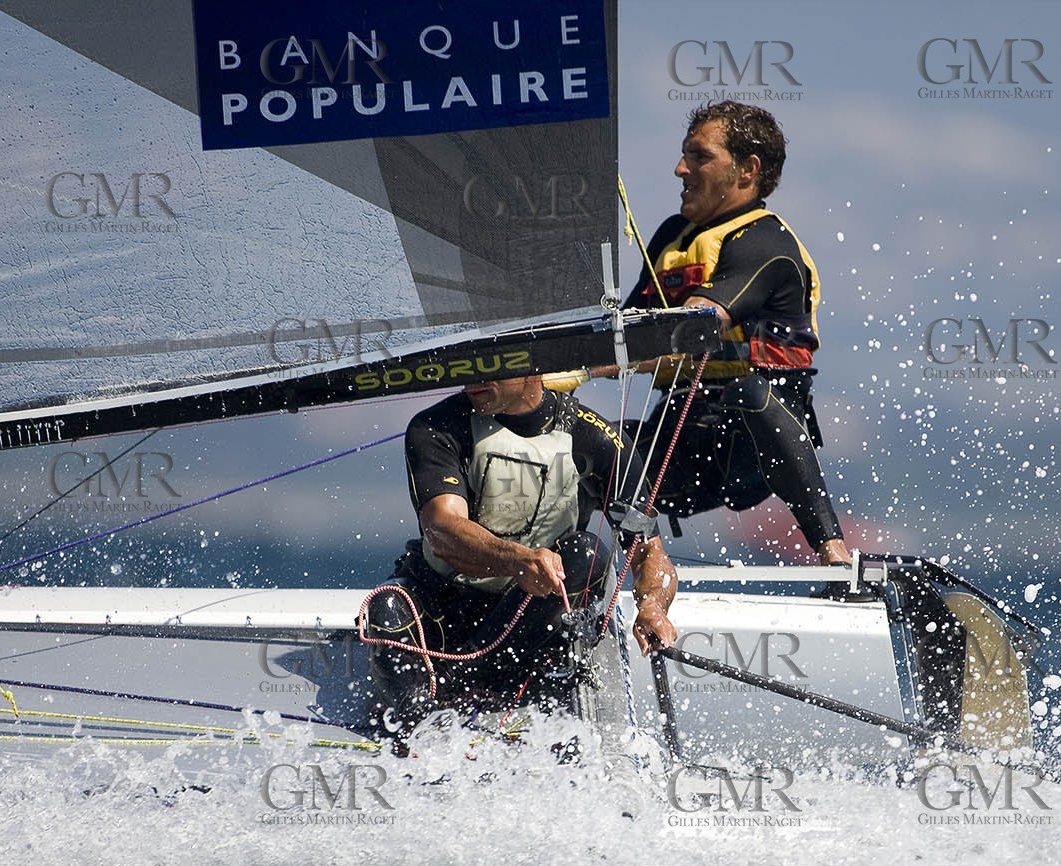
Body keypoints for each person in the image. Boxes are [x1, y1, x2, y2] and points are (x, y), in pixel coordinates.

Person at [362, 373, 678, 755]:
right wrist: (520, 561)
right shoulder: (436, 426)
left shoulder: (598, 439)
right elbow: (442, 530)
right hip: (447, 607)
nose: (470, 380)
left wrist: (653, 606)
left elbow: (650, 555)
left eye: (487, 370)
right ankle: (421, 732)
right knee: (386, 608)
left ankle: (477, 684)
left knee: (588, 554)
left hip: (527, 620)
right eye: (466, 369)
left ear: (530, 370)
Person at [596, 101, 852, 565]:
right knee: (582, 441)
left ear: (747, 170)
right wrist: (543, 369)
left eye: (699, 157)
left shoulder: (766, 243)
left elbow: (692, 329)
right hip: (681, 442)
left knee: (751, 391)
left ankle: (834, 556)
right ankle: (572, 579)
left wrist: (585, 363)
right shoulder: (674, 235)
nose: (680, 169)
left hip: (753, 454)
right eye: (683, 155)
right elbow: (623, 333)